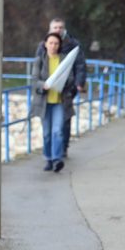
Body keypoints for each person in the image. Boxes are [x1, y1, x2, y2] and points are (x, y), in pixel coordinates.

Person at [36, 18, 87, 158]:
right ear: (50, 30)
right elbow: (36, 72)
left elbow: (80, 66)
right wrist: (41, 86)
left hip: (67, 90)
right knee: (48, 129)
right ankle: (49, 155)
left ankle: (62, 150)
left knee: (63, 121)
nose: (58, 30)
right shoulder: (43, 46)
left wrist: (78, 83)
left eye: (60, 27)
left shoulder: (73, 45)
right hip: (46, 94)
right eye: (55, 27)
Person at [31, 32, 75, 172]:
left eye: (56, 43)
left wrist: (64, 83)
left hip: (59, 101)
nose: (53, 46)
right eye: (51, 43)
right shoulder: (40, 60)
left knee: (58, 131)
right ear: (45, 44)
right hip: (45, 101)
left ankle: (57, 159)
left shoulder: (64, 59)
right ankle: (48, 158)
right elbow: (34, 80)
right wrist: (43, 85)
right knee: (47, 133)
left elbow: (71, 78)